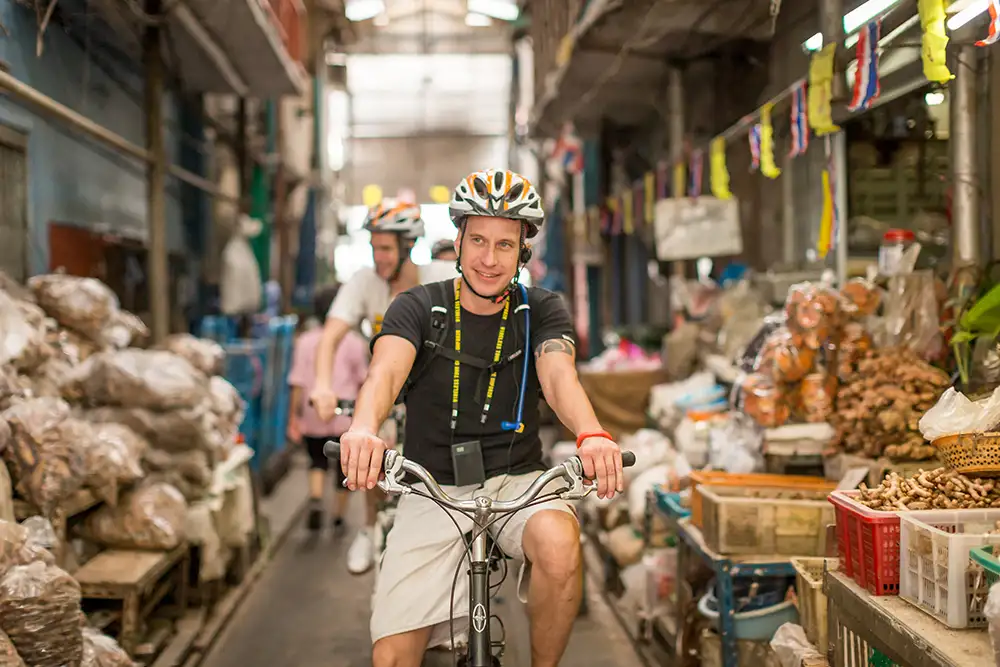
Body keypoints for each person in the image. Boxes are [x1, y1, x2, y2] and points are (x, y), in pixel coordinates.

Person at [337, 168, 624, 667]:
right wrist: (362, 429)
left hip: (521, 484)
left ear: (523, 251)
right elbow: (384, 374)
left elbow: (558, 377)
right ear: (458, 239)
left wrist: (592, 433)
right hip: (433, 487)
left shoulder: (542, 309)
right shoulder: (417, 307)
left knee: (559, 543)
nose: (489, 260)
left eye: (505, 245)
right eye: (478, 241)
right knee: (391, 660)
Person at [311, 200, 457, 574]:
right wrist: (323, 385)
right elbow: (330, 337)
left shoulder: (440, 276)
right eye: (375, 248)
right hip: (387, 393)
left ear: (408, 247)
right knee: (374, 450)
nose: (379, 257)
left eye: (387, 248)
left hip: (439, 395)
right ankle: (370, 526)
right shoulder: (364, 282)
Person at [287, 285, 369, 532]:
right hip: (345, 413)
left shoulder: (305, 341)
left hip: (313, 410)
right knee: (345, 467)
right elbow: (364, 380)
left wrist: (294, 417)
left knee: (316, 459)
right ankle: (338, 516)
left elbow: (298, 382)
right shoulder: (354, 342)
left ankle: (315, 498)